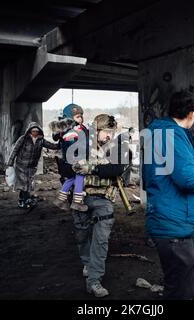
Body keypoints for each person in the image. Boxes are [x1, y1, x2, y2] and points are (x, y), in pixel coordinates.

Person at [142, 90, 194, 300]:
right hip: (173, 224)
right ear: (192, 114)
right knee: (181, 287)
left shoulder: (164, 134)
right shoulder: (171, 135)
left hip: (182, 220)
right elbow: (189, 180)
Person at [70, 114, 126, 298]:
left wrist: (91, 168)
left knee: (101, 240)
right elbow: (67, 166)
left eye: (112, 132)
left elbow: (117, 169)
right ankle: (87, 263)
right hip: (81, 197)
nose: (109, 136)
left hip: (104, 199)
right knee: (82, 234)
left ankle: (94, 281)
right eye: (106, 132)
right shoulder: (82, 143)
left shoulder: (118, 147)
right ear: (96, 130)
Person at [6, 122, 60, 209]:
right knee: (23, 183)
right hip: (21, 165)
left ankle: (25, 199)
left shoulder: (41, 140)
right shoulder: (23, 139)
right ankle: (23, 200)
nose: (35, 133)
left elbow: (52, 146)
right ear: (29, 131)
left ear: (39, 132)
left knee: (29, 183)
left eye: (37, 131)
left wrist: (62, 143)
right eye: (33, 131)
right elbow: (15, 150)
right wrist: (10, 162)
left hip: (32, 166)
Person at [50, 104, 89, 211]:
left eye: (81, 116)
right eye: (77, 116)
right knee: (80, 177)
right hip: (76, 159)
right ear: (69, 119)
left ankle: (60, 200)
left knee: (71, 179)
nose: (80, 118)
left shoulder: (76, 128)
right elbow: (74, 146)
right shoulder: (72, 131)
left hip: (69, 161)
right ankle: (77, 202)